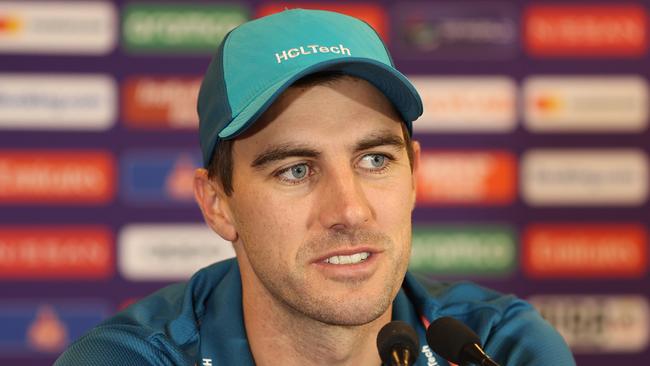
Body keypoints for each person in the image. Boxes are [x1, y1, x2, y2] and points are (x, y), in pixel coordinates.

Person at [55, 9, 575, 366]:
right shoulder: (128, 358)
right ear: (218, 204)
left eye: (375, 159)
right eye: (295, 170)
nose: (349, 210)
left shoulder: (500, 346)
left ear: (414, 175)